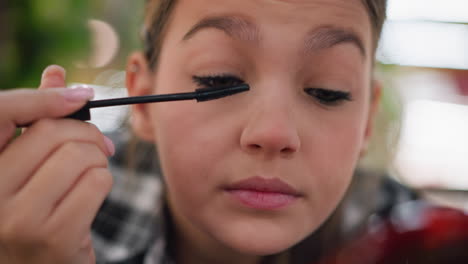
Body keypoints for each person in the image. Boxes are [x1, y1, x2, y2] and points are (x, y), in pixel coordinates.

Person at [0, 0, 388, 263]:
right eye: (218, 79)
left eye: (328, 91)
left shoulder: (423, 241)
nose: (273, 132)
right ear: (142, 96)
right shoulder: (50, 220)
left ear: (367, 118)